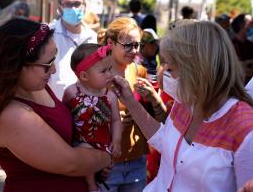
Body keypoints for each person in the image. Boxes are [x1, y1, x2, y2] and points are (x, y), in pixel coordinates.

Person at [0, 18, 111, 192]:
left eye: (54, 58)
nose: (54, 70)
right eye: (47, 64)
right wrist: (108, 155)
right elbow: (71, 163)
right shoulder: (13, 116)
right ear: (17, 66)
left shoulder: (36, 86)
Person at [112, 19, 253, 192]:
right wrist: (130, 101)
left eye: (170, 68)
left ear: (198, 69)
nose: (163, 73)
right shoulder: (186, 101)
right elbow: (165, 140)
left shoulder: (245, 129)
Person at [98, 16, 166, 192]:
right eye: (128, 45)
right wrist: (111, 119)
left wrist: (155, 99)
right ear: (111, 43)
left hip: (137, 160)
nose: (134, 50)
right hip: (106, 164)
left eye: (137, 45)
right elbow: (80, 116)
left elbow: (161, 120)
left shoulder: (140, 71)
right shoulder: (95, 73)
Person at [63, 43, 122, 192]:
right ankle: (91, 186)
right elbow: (63, 116)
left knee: (105, 170)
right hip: (79, 143)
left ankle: (98, 182)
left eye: (110, 69)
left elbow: (116, 120)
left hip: (103, 144)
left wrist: (116, 140)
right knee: (85, 150)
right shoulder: (71, 92)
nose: (110, 74)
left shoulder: (110, 96)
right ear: (84, 76)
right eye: (103, 71)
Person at [49, 0, 97, 100]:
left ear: (84, 6)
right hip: (55, 105)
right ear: (60, 7)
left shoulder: (92, 37)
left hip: (85, 107)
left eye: (77, 4)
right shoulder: (49, 34)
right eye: (68, 4)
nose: (73, 8)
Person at [231, 13, 253, 84]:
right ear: (241, 24)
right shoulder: (231, 44)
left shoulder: (250, 44)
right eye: (249, 22)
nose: (251, 24)